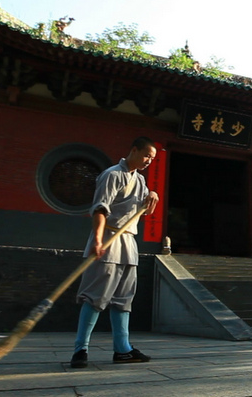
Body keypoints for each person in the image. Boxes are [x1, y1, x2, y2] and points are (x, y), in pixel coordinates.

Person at [70, 136, 160, 368]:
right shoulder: (112, 175)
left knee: (123, 300)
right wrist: (97, 240)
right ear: (133, 150)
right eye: (146, 155)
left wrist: (152, 195)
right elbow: (100, 208)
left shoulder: (139, 180)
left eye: (152, 158)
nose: (149, 160)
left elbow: (144, 207)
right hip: (108, 239)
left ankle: (123, 349)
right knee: (95, 296)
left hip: (129, 242)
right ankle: (81, 349)